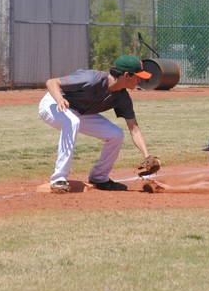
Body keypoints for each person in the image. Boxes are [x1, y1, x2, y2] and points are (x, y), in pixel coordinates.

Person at [38, 54, 155, 193]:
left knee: (116, 134)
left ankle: (99, 177)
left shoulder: (122, 97)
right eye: (138, 76)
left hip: (80, 112)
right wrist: (59, 99)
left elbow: (134, 129)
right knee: (72, 122)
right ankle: (59, 179)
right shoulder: (92, 78)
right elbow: (51, 82)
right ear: (126, 75)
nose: (140, 80)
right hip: (53, 104)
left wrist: (147, 156)